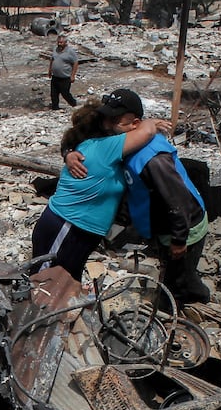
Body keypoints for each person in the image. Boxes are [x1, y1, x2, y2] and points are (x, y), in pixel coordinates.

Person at [64, 104, 211, 306]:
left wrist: (179, 238)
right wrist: (68, 153)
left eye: (115, 122)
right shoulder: (123, 142)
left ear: (135, 125)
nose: (108, 126)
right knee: (172, 270)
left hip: (184, 226)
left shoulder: (152, 159)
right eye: (107, 120)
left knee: (179, 278)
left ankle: (192, 304)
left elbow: (177, 200)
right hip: (161, 224)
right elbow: (77, 137)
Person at [31, 89, 170, 280]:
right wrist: (149, 122)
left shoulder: (98, 145)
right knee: (43, 283)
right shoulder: (106, 147)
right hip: (67, 227)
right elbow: (146, 132)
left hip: (79, 231)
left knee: (64, 285)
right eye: (112, 120)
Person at [48, 34, 79, 110]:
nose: (59, 44)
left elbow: (75, 63)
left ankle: (74, 104)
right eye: (58, 42)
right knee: (53, 94)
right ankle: (55, 108)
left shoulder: (70, 51)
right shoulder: (55, 49)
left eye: (61, 42)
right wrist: (50, 70)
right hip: (55, 77)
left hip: (65, 78)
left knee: (65, 93)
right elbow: (52, 59)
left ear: (65, 43)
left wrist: (72, 75)